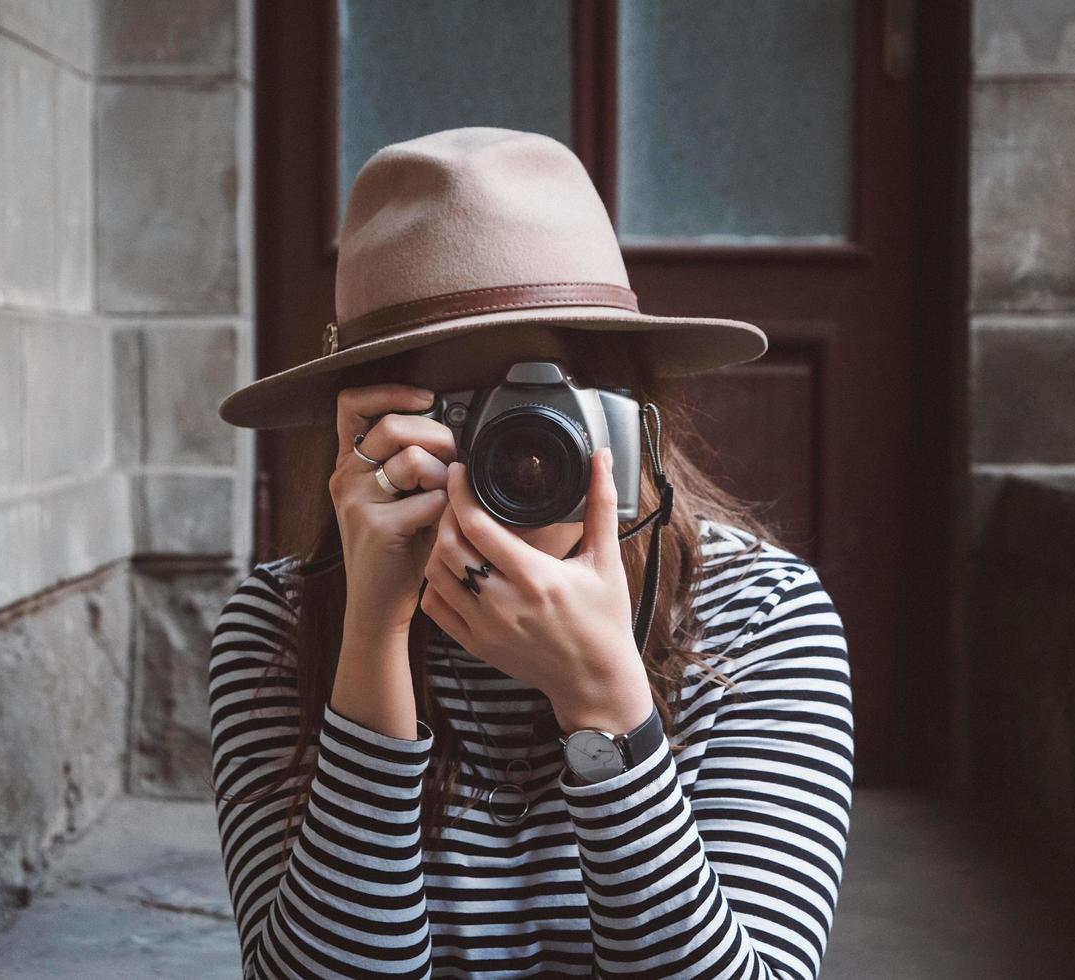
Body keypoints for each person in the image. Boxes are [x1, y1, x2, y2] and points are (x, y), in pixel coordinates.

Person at [207, 127, 853, 979]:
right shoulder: (280, 627)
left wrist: (605, 699)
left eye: (541, 399)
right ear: (364, 432)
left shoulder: (757, 614)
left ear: (629, 413)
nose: (511, 454)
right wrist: (369, 640)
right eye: (457, 416)